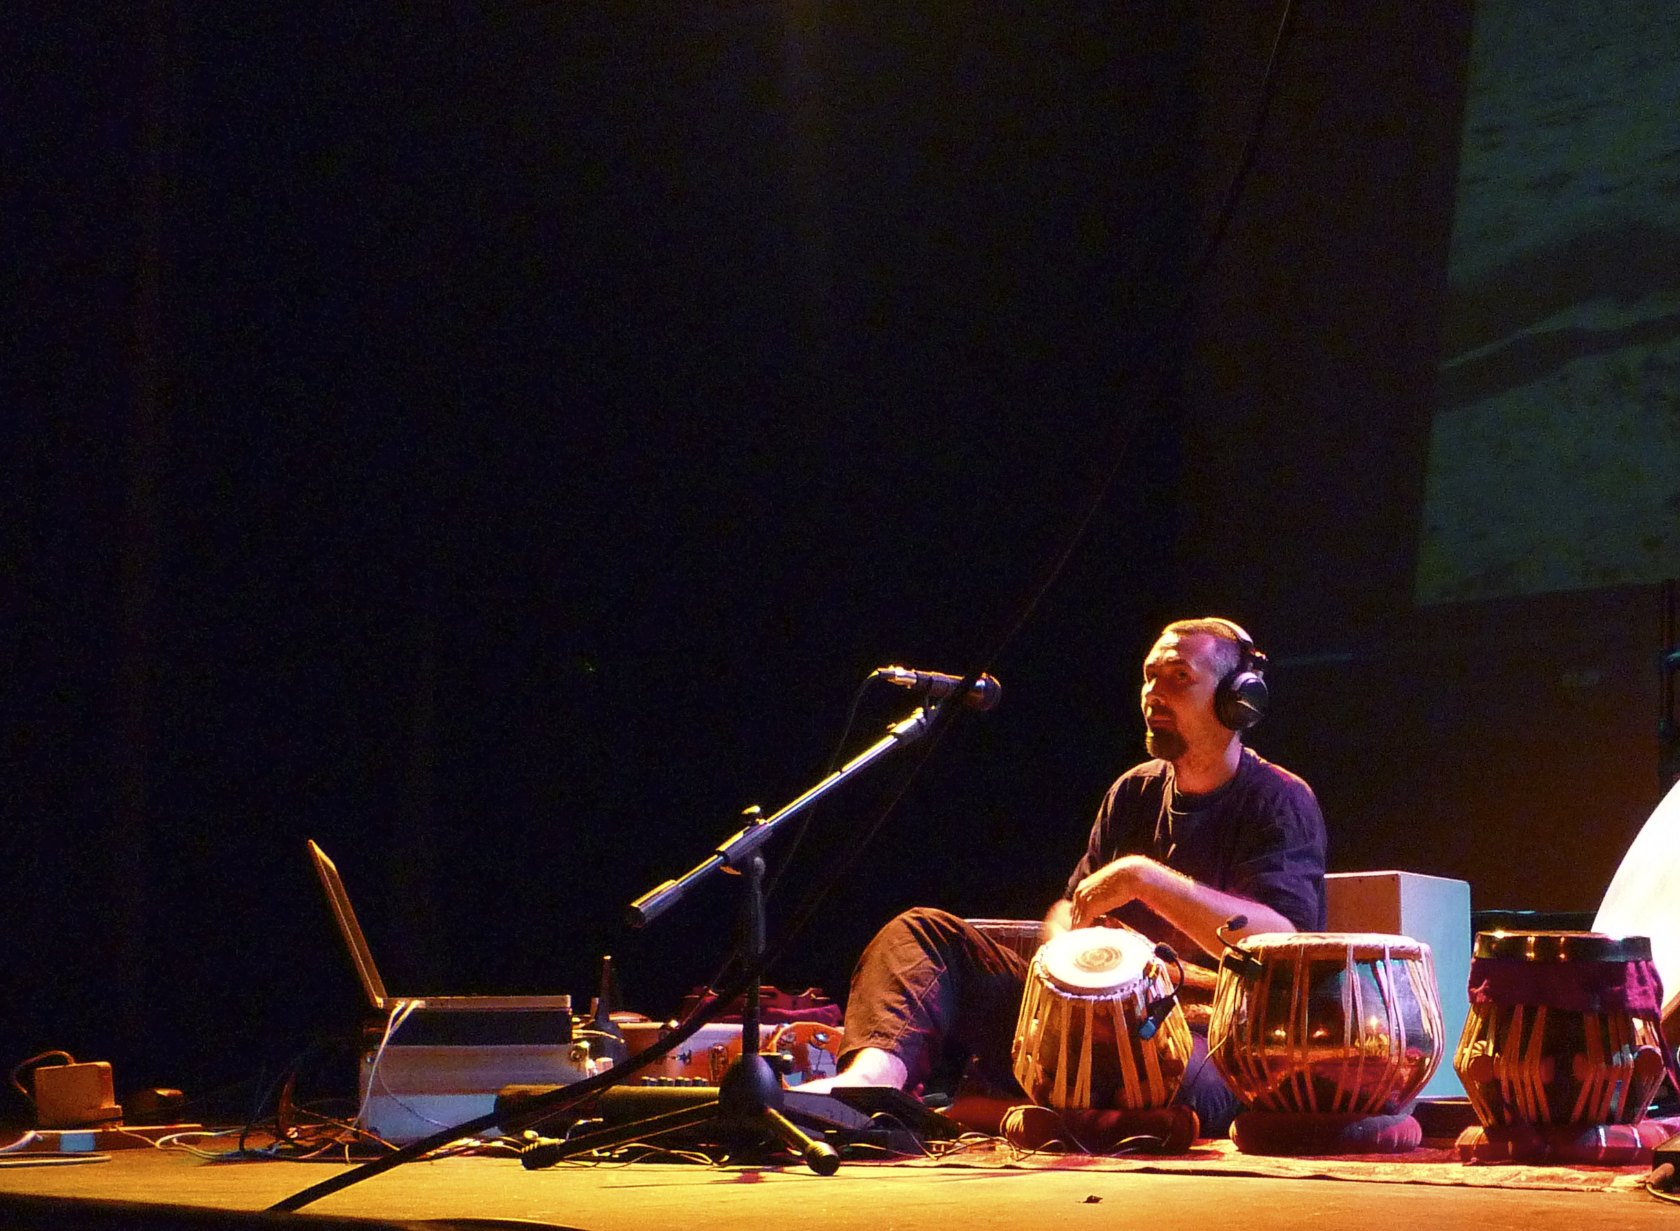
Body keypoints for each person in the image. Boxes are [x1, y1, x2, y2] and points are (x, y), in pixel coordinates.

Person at [802, 617, 1327, 1136]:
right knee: (921, 932)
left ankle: (1046, 1111)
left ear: (1239, 700)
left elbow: (1280, 943)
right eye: (1149, 676)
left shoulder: (1278, 800)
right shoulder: (1133, 792)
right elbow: (1072, 905)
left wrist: (1148, 880)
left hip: (1196, 1034)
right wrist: (1064, 972)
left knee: (1190, 1087)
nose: (1153, 694)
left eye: (1178, 678)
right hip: (1078, 1025)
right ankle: (869, 1086)